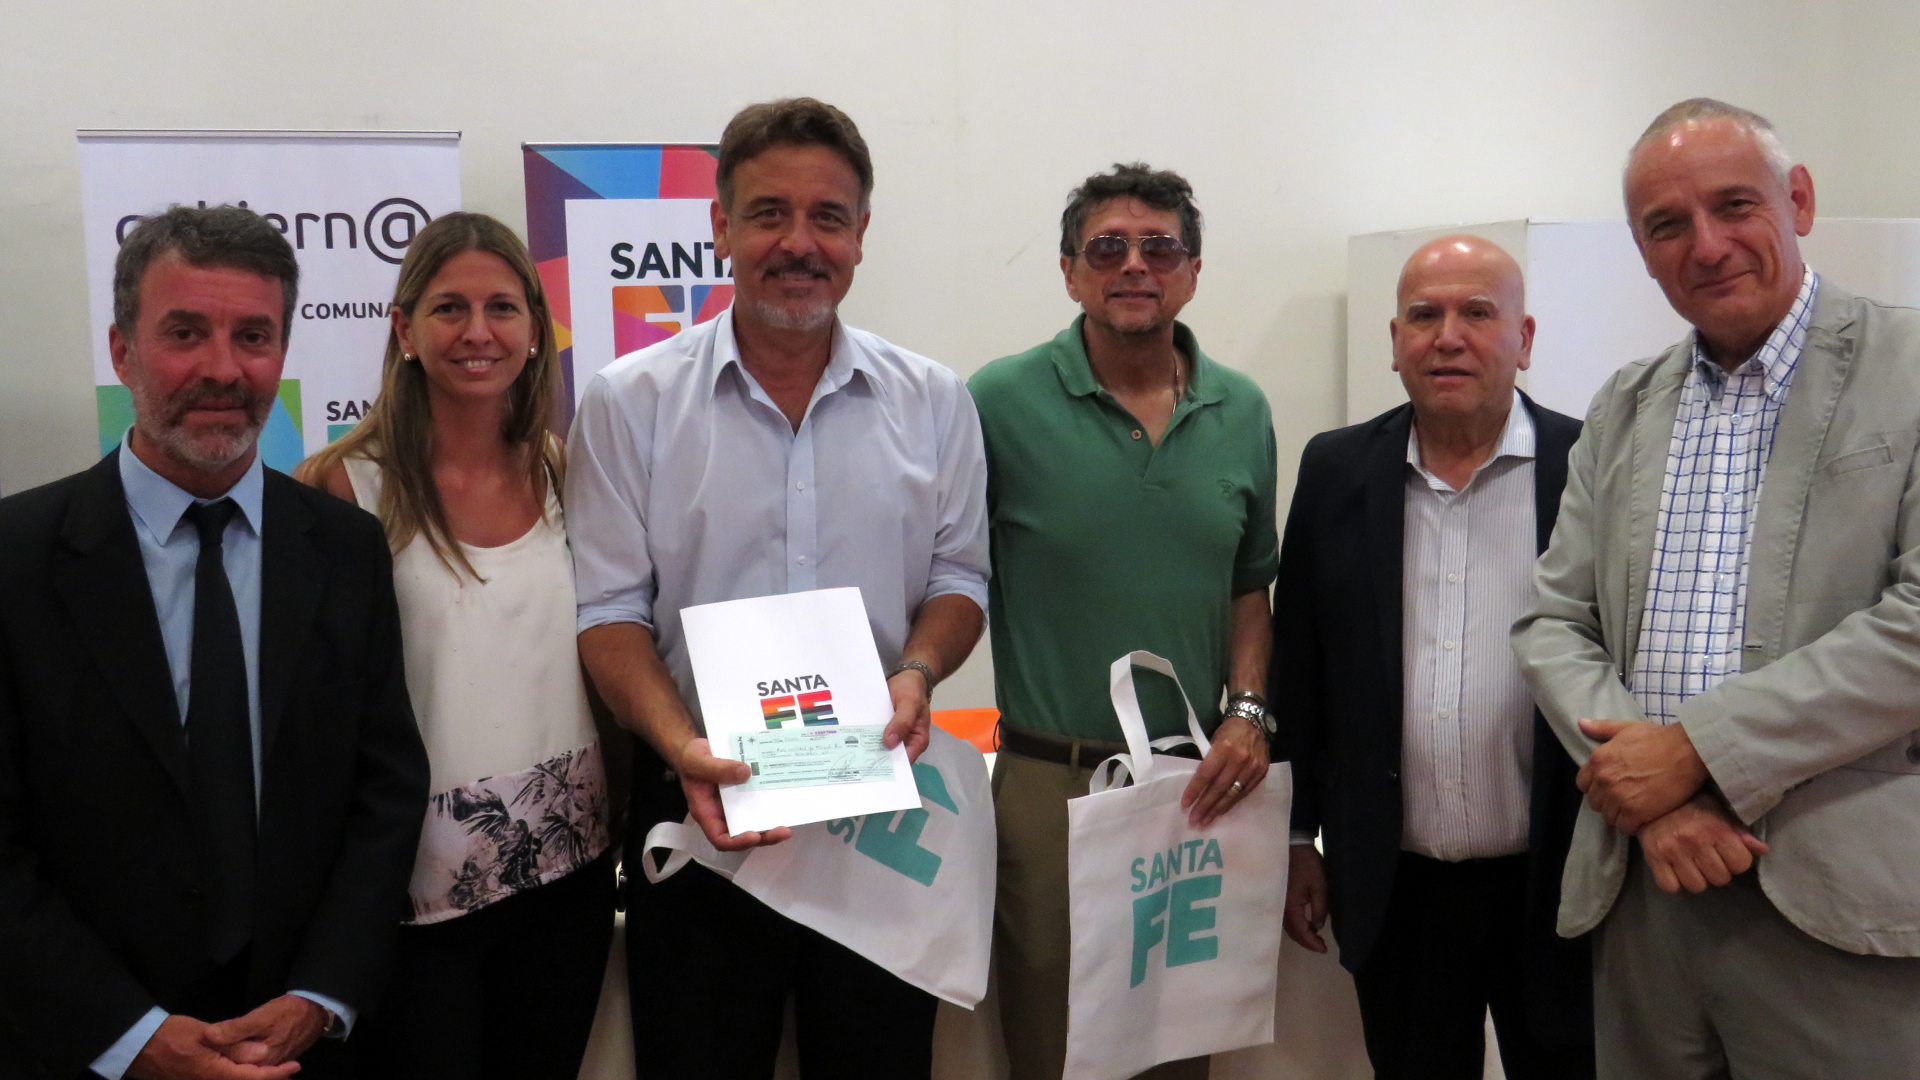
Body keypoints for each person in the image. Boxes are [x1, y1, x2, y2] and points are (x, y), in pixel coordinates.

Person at [565, 97, 989, 1080]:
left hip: (880, 821)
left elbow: (959, 576)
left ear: (861, 235)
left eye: (827, 217)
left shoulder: (934, 400)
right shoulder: (629, 402)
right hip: (700, 810)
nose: (799, 243)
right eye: (768, 213)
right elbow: (609, 614)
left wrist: (921, 670)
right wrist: (683, 747)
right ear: (720, 226)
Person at [1513, 97, 1920, 1078]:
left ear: (1799, 201)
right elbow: (1554, 620)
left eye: (1735, 205)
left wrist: (1696, 750)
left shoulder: (1908, 369)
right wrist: (1653, 797)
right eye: (1667, 225)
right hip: (1643, 891)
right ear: (1643, 253)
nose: (1706, 245)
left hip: (1835, 900)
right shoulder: (1625, 403)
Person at [0, 205, 429, 1079]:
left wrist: (322, 995)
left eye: (254, 336)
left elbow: (384, 791)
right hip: (83, 1048)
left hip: (300, 1046)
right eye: (185, 333)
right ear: (122, 351)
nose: (223, 370)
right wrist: (132, 1036)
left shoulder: (345, 548)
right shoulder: (16, 558)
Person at [968, 163, 1277, 1080]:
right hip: (1048, 787)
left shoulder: (1242, 409)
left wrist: (1248, 712)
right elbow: (945, 573)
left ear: (1192, 272)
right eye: (1107, 247)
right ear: (1069, 272)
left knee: (1179, 1050)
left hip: (1193, 786)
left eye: (1159, 247)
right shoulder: (997, 402)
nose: (1134, 265)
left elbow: (1250, 588)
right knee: (1052, 1050)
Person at [296, 211, 614, 1080]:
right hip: (414, 894)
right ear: (404, 330)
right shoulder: (340, 487)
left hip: (570, 872)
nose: (479, 331)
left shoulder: (562, 468)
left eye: (502, 307)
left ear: (536, 329)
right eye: (449, 308)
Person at [1272, 235, 1592, 1079]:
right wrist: (1296, 836)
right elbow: (1299, 666)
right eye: (1424, 315)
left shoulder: (1591, 466)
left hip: (1557, 886)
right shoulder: (1336, 470)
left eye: (1477, 313)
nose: (1448, 337)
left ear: (1524, 339)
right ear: (1395, 341)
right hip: (1396, 887)